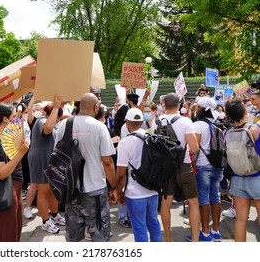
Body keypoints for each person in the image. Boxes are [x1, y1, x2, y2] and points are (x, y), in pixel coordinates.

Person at [55, 93, 117, 242]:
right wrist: (114, 187)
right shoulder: (99, 127)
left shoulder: (64, 125)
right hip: (95, 190)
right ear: (95, 107)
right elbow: (107, 162)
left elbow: (56, 155)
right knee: (100, 237)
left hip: (71, 190)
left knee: (73, 238)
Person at [151, 93, 200, 242]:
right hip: (183, 165)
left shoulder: (156, 121)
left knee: (166, 203)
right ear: (179, 104)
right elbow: (194, 148)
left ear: (164, 105)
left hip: (165, 168)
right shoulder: (185, 122)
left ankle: (168, 239)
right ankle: (196, 240)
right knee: (193, 202)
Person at [116, 108, 162, 242]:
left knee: (140, 228)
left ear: (127, 122)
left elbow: (120, 173)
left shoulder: (125, 142)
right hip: (153, 190)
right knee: (154, 223)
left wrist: (119, 192)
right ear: (141, 122)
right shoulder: (152, 137)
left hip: (135, 193)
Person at [0, 103, 29, 242]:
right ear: (5, 119)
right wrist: (21, 153)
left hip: (13, 185)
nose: (16, 119)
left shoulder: (3, 139)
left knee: (13, 229)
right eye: (13, 116)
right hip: (4, 189)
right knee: (5, 232)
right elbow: (0, 173)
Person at [27, 95, 66, 234]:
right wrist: (56, 106)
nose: (58, 121)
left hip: (48, 161)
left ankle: (54, 215)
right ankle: (45, 221)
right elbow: (48, 128)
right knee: (43, 192)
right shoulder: (41, 121)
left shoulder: (51, 123)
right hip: (40, 160)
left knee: (52, 191)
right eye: (57, 117)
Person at [225, 99, 260, 241]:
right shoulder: (255, 130)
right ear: (245, 112)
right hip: (257, 176)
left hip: (237, 178)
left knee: (240, 219)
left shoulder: (227, 133)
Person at [192, 97, 224, 241]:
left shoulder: (198, 125)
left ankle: (205, 232)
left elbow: (194, 148)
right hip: (217, 164)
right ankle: (216, 231)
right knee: (215, 197)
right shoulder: (217, 122)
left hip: (203, 166)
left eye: (197, 107)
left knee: (203, 198)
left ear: (201, 109)